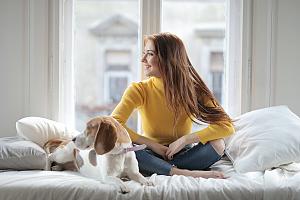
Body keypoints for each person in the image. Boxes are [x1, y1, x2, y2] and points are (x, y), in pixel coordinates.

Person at [111, 32, 234, 179]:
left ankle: (161, 168)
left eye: (149, 54)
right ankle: (182, 173)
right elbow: (114, 124)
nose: (143, 59)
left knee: (218, 143)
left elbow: (226, 126)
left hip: (184, 154)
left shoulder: (194, 90)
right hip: (150, 153)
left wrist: (185, 140)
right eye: (144, 53)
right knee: (124, 150)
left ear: (168, 58)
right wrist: (152, 145)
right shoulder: (138, 90)